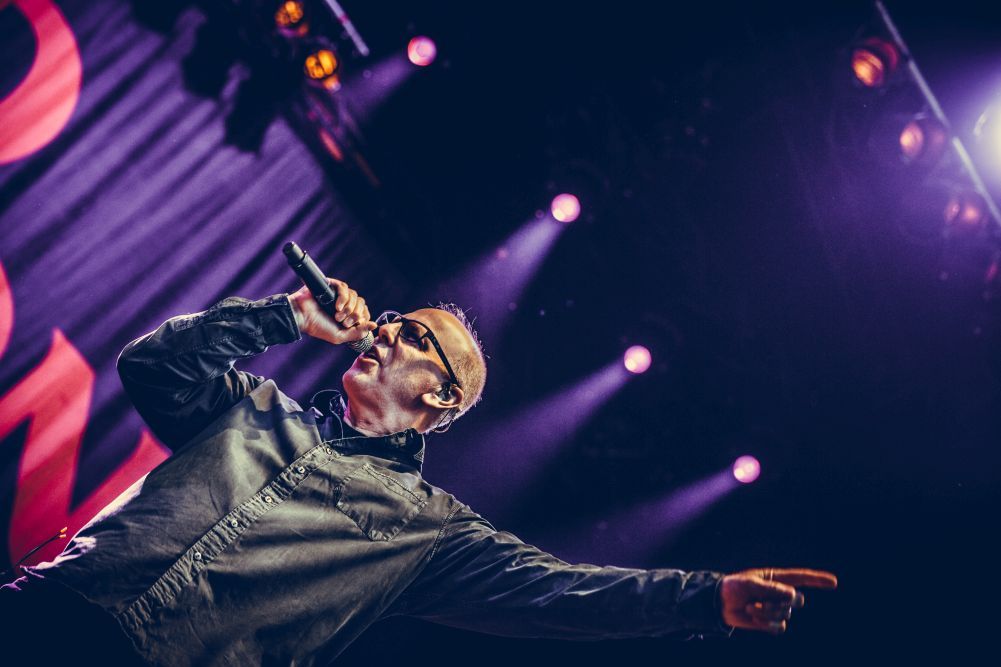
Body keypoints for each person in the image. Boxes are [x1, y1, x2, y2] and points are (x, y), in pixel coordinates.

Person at [1, 278, 836, 665]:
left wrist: (701, 597)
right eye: (392, 320)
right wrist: (285, 315)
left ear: (440, 396)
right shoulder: (253, 407)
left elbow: (560, 592)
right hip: (52, 607)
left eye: (414, 336)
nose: (386, 331)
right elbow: (151, 365)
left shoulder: (428, 528)